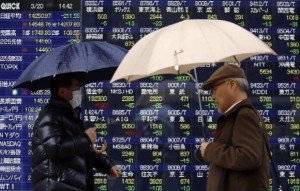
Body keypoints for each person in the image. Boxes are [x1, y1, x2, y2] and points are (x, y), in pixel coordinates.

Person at [31, 73, 121, 191]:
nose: (79, 92)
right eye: (76, 87)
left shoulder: (70, 116)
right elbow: (55, 148)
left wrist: (106, 165)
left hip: (71, 184)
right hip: (57, 185)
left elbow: (79, 150)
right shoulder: (50, 115)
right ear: (62, 91)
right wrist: (85, 138)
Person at [199, 64, 269, 191]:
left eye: (214, 89)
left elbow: (248, 157)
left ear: (231, 84)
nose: (212, 97)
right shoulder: (237, 115)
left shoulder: (244, 115)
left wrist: (210, 150)